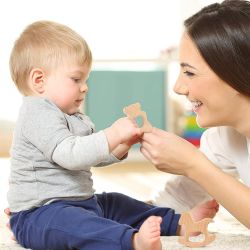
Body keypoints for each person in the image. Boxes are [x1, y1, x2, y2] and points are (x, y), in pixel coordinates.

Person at [6, 20, 218, 250]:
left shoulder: (73, 116)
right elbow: (70, 154)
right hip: (39, 214)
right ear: (39, 80)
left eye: (85, 80)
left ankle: (178, 224)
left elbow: (89, 156)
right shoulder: (37, 112)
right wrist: (111, 134)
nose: (85, 87)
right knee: (76, 225)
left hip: (80, 203)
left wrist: (120, 146)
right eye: (76, 79)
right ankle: (132, 242)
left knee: (117, 203)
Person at [141, 0, 250, 229]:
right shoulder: (224, 138)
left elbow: (198, 168)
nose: (178, 87)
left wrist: (194, 164)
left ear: (236, 72)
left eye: (189, 72)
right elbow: (173, 201)